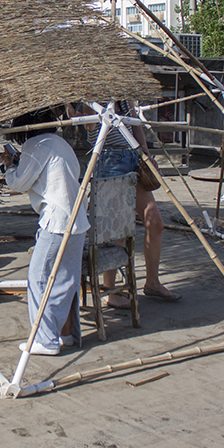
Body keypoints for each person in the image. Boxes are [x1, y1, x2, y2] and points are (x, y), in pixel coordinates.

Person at [66, 101, 180, 307]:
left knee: (155, 222)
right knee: (115, 231)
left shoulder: (123, 97)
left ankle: (152, 282)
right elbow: (87, 125)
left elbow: (135, 121)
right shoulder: (92, 100)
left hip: (132, 158)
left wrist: (145, 152)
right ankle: (111, 292)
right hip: (110, 161)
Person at [0, 108, 89, 356]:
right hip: (77, 220)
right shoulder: (60, 143)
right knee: (66, 280)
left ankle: (45, 339)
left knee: (39, 278)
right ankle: (66, 334)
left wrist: (8, 167)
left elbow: (19, 183)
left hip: (57, 221)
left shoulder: (36, 145)